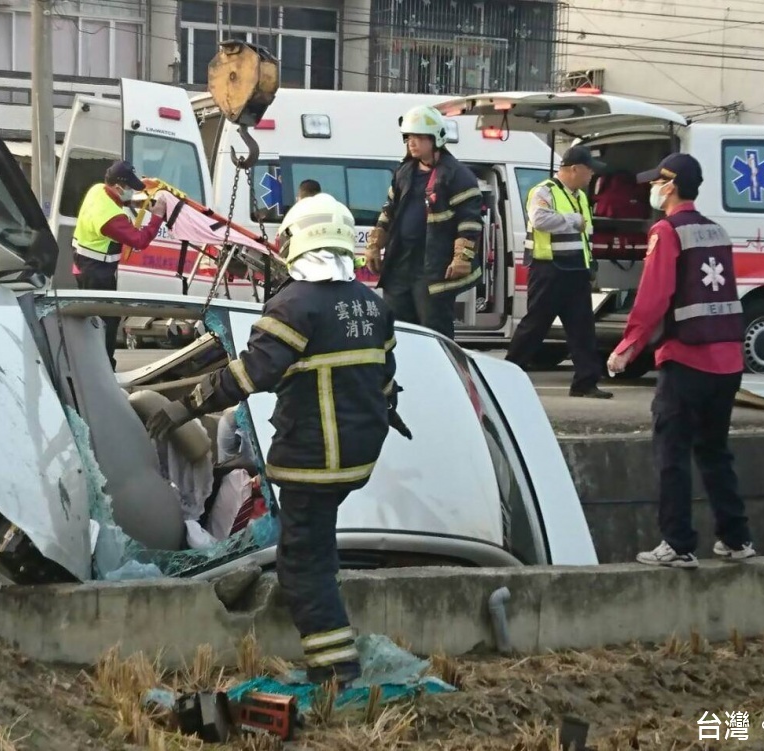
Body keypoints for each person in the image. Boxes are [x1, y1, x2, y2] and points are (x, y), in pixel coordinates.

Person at [145, 194, 411, 686]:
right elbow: (386, 378)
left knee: (301, 564)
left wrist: (188, 403)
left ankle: (336, 668)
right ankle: (316, 619)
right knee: (315, 545)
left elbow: (250, 374)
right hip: (356, 456)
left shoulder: (294, 305)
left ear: (299, 242)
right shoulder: (373, 306)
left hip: (315, 458)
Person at [607, 153, 754, 568]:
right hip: (727, 360)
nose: (653, 188)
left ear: (669, 187)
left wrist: (628, 348)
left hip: (687, 360)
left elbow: (654, 296)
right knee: (714, 451)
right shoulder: (716, 231)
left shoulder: (667, 231)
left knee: (672, 454)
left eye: (657, 182)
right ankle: (737, 538)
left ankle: (678, 543)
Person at [364, 105, 483, 341]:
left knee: (433, 330)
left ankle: (438, 376)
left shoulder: (458, 175)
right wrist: (374, 245)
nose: (412, 142)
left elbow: (469, 221)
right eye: (408, 137)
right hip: (400, 264)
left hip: (433, 268)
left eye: (418, 137)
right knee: (398, 331)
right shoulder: (404, 171)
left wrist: (462, 257)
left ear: (436, 138)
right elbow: (388, 211)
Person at [505, 146, 612, 399]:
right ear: (574, 169)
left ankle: (585, 382)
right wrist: (573, 220)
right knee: (535, 326)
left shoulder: (580, 196)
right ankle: (506, 376)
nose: (591, 177)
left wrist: (590, 265)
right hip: (549, 270)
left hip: (576, 270)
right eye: (589, 171)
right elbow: (541, 220)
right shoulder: (544, 191)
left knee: (582, 328)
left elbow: (584, 238)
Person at [72, 160, 168, 368]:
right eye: (129, 189)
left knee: (93, 322)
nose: (131, 193)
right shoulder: (111, 218)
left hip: (83, 265)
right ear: (117, 186)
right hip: (97, 273)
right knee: (105, 323)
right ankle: (103, 367)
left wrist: (135, 203)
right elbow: (139, 241)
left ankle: (95, 364)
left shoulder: (97, 190)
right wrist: (157, 217)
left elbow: (118, 201)